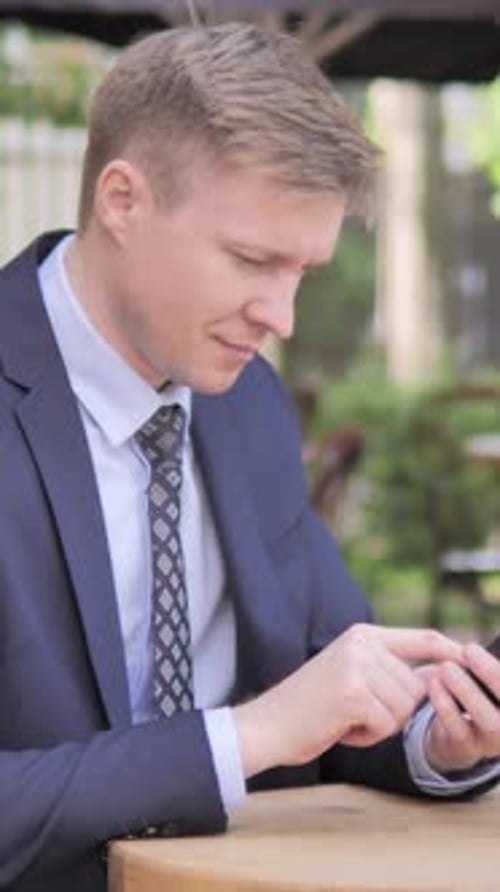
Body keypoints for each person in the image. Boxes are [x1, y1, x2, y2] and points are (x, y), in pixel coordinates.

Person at [0, 22, 499, 892]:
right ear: (123, 200)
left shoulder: (250, 405)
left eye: (303, 271)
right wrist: (246, 737)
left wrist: (434, 735)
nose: (284, 318)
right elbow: (278, 724)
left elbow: (330, 689)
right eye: (251, 260)